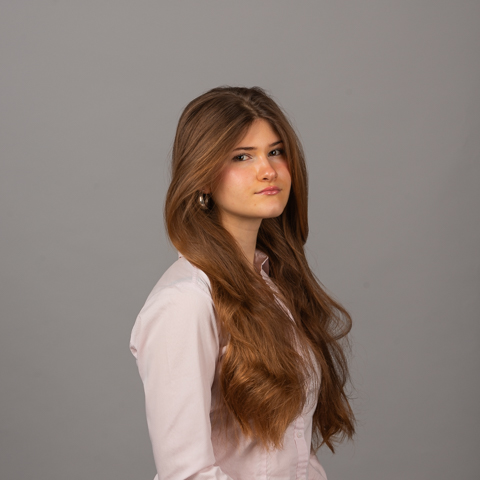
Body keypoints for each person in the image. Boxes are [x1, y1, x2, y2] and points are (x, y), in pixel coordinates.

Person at [129, 86, 355, 480]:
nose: (268, 170)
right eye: (241, 156)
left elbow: (293, 453)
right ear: (202, 177)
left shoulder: (272, 286)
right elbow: (187, 474)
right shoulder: (186, 302)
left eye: (276, 151)